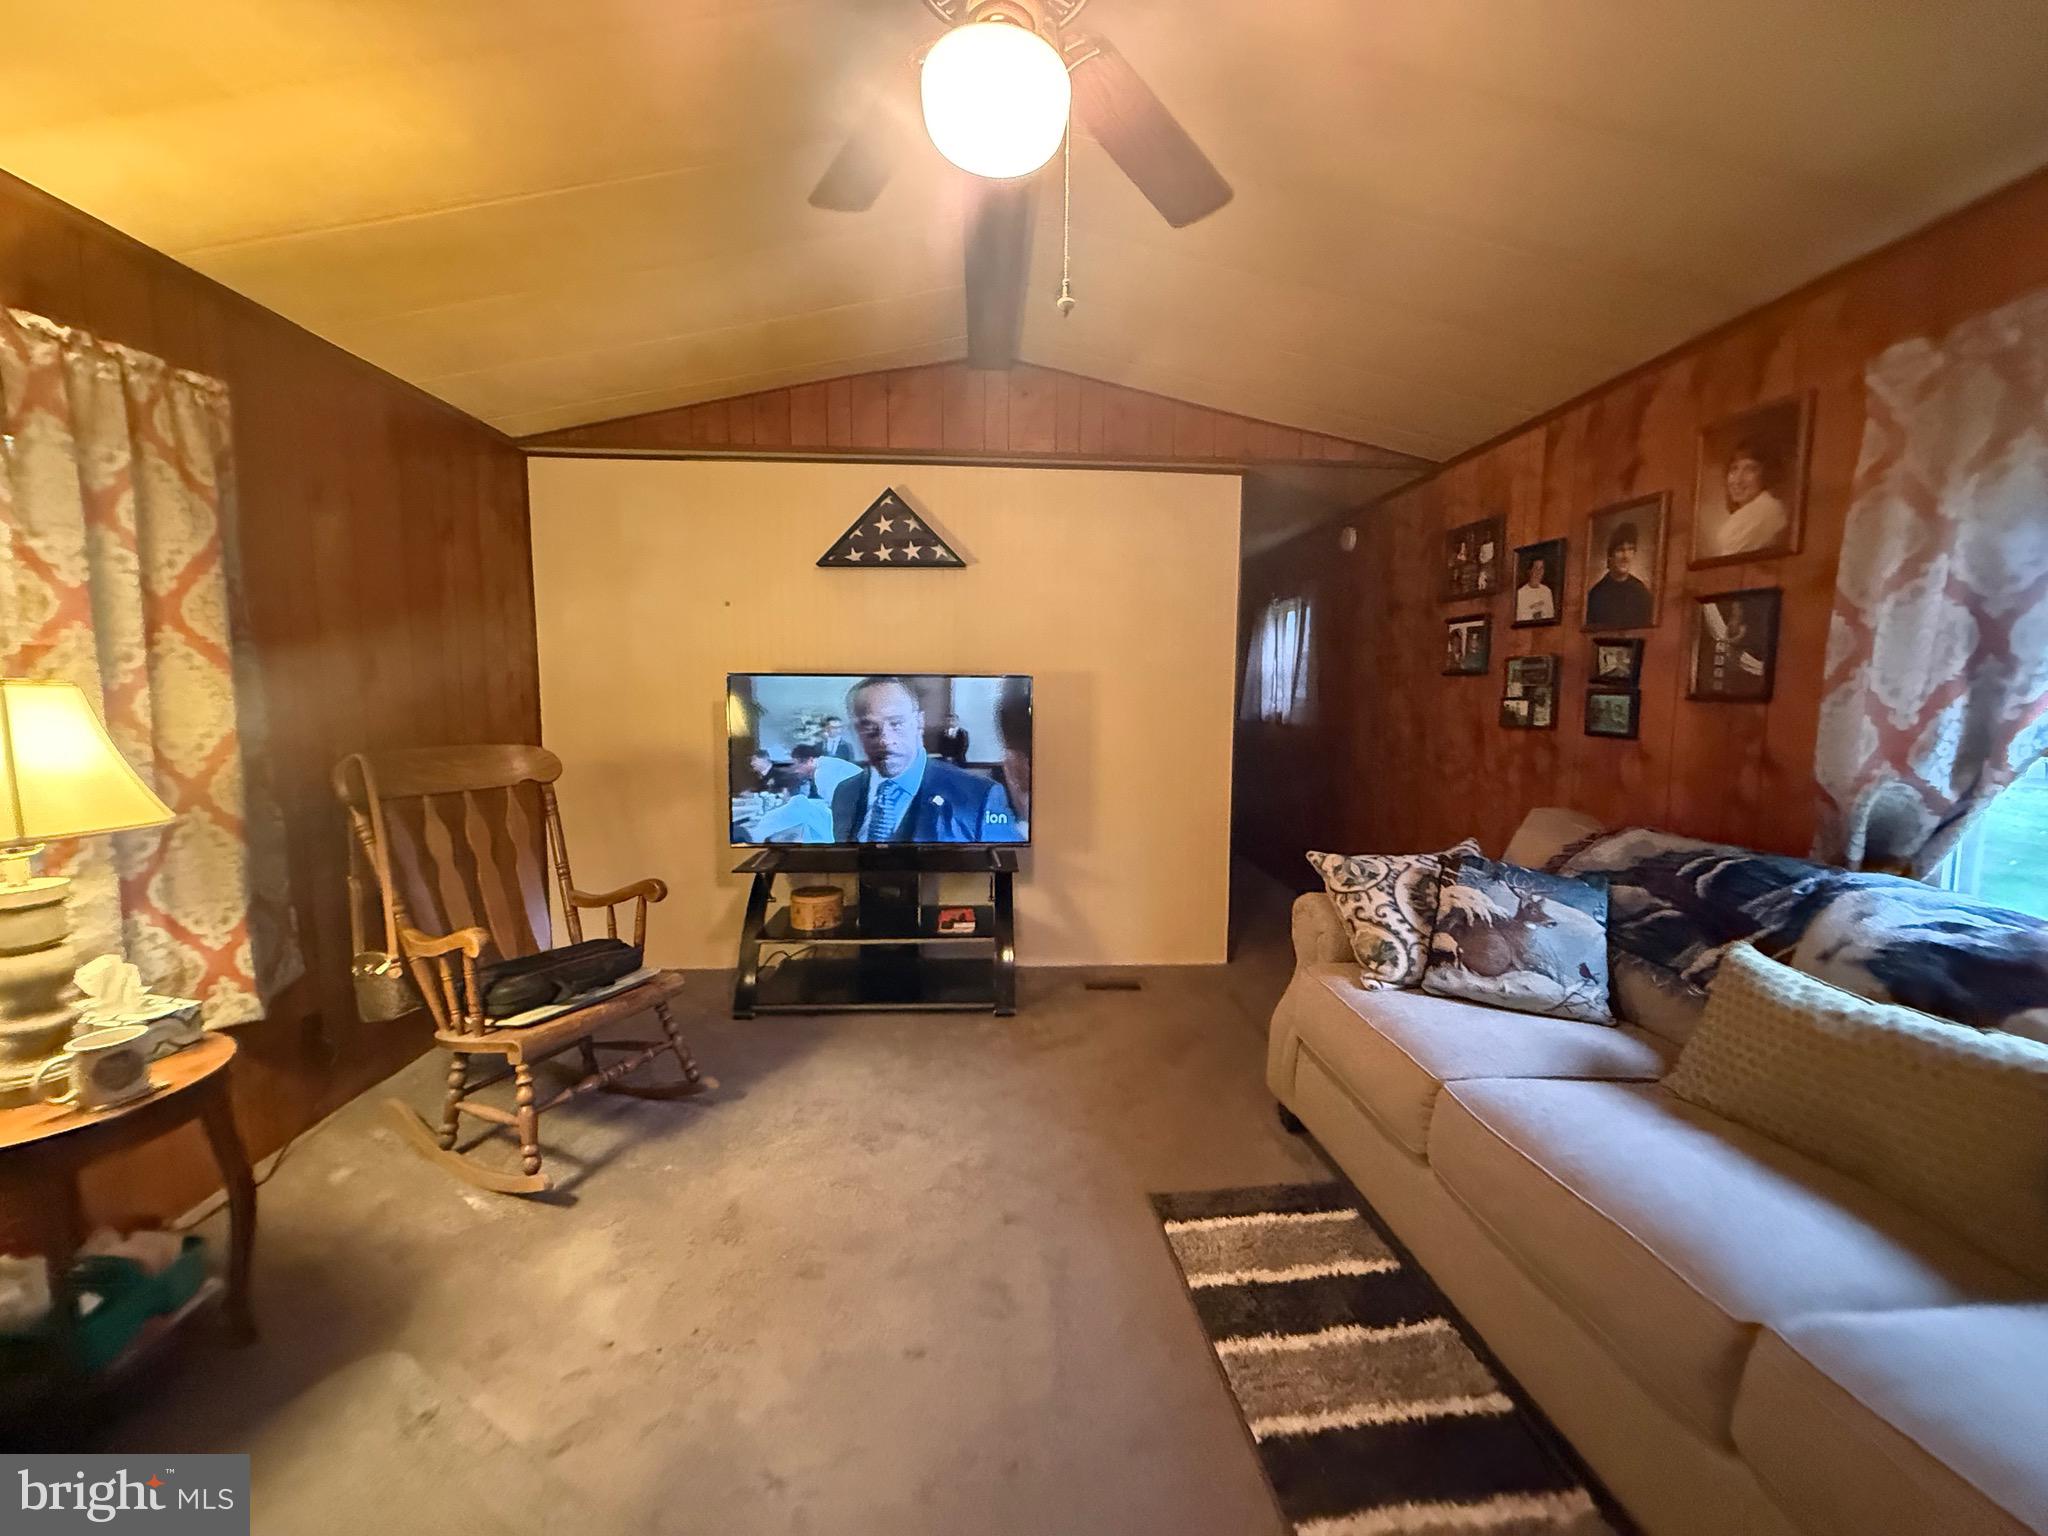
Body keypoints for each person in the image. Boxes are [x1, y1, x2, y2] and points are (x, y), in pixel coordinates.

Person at [830, 676, 1021, 843]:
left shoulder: (980, 796)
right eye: (869, 727)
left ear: (919, 723)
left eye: (896, 724)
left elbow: (1002, 864)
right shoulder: (844, 792)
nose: (885, 740)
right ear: (855, 731)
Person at [1698, 437, 1791, 560]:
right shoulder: (1747, 514)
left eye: (1750, 469)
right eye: (1734, 469)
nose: (1737, 480)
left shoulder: (1767, 511)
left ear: (1767, 473)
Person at [1585, 521, 1654, 629]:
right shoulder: (1596, 594)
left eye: (1630, 549)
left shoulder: (1641, 592)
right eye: (1620, 550)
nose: (1626, 556)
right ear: (1610, 556)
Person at [1515, 557, 1555, 623]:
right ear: (1530, 571)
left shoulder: (1547, 591)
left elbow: (1550, 615)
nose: (1539, 572)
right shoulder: (1520, 593)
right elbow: (1520, 619)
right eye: (1536, 568)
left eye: (1541, 568)